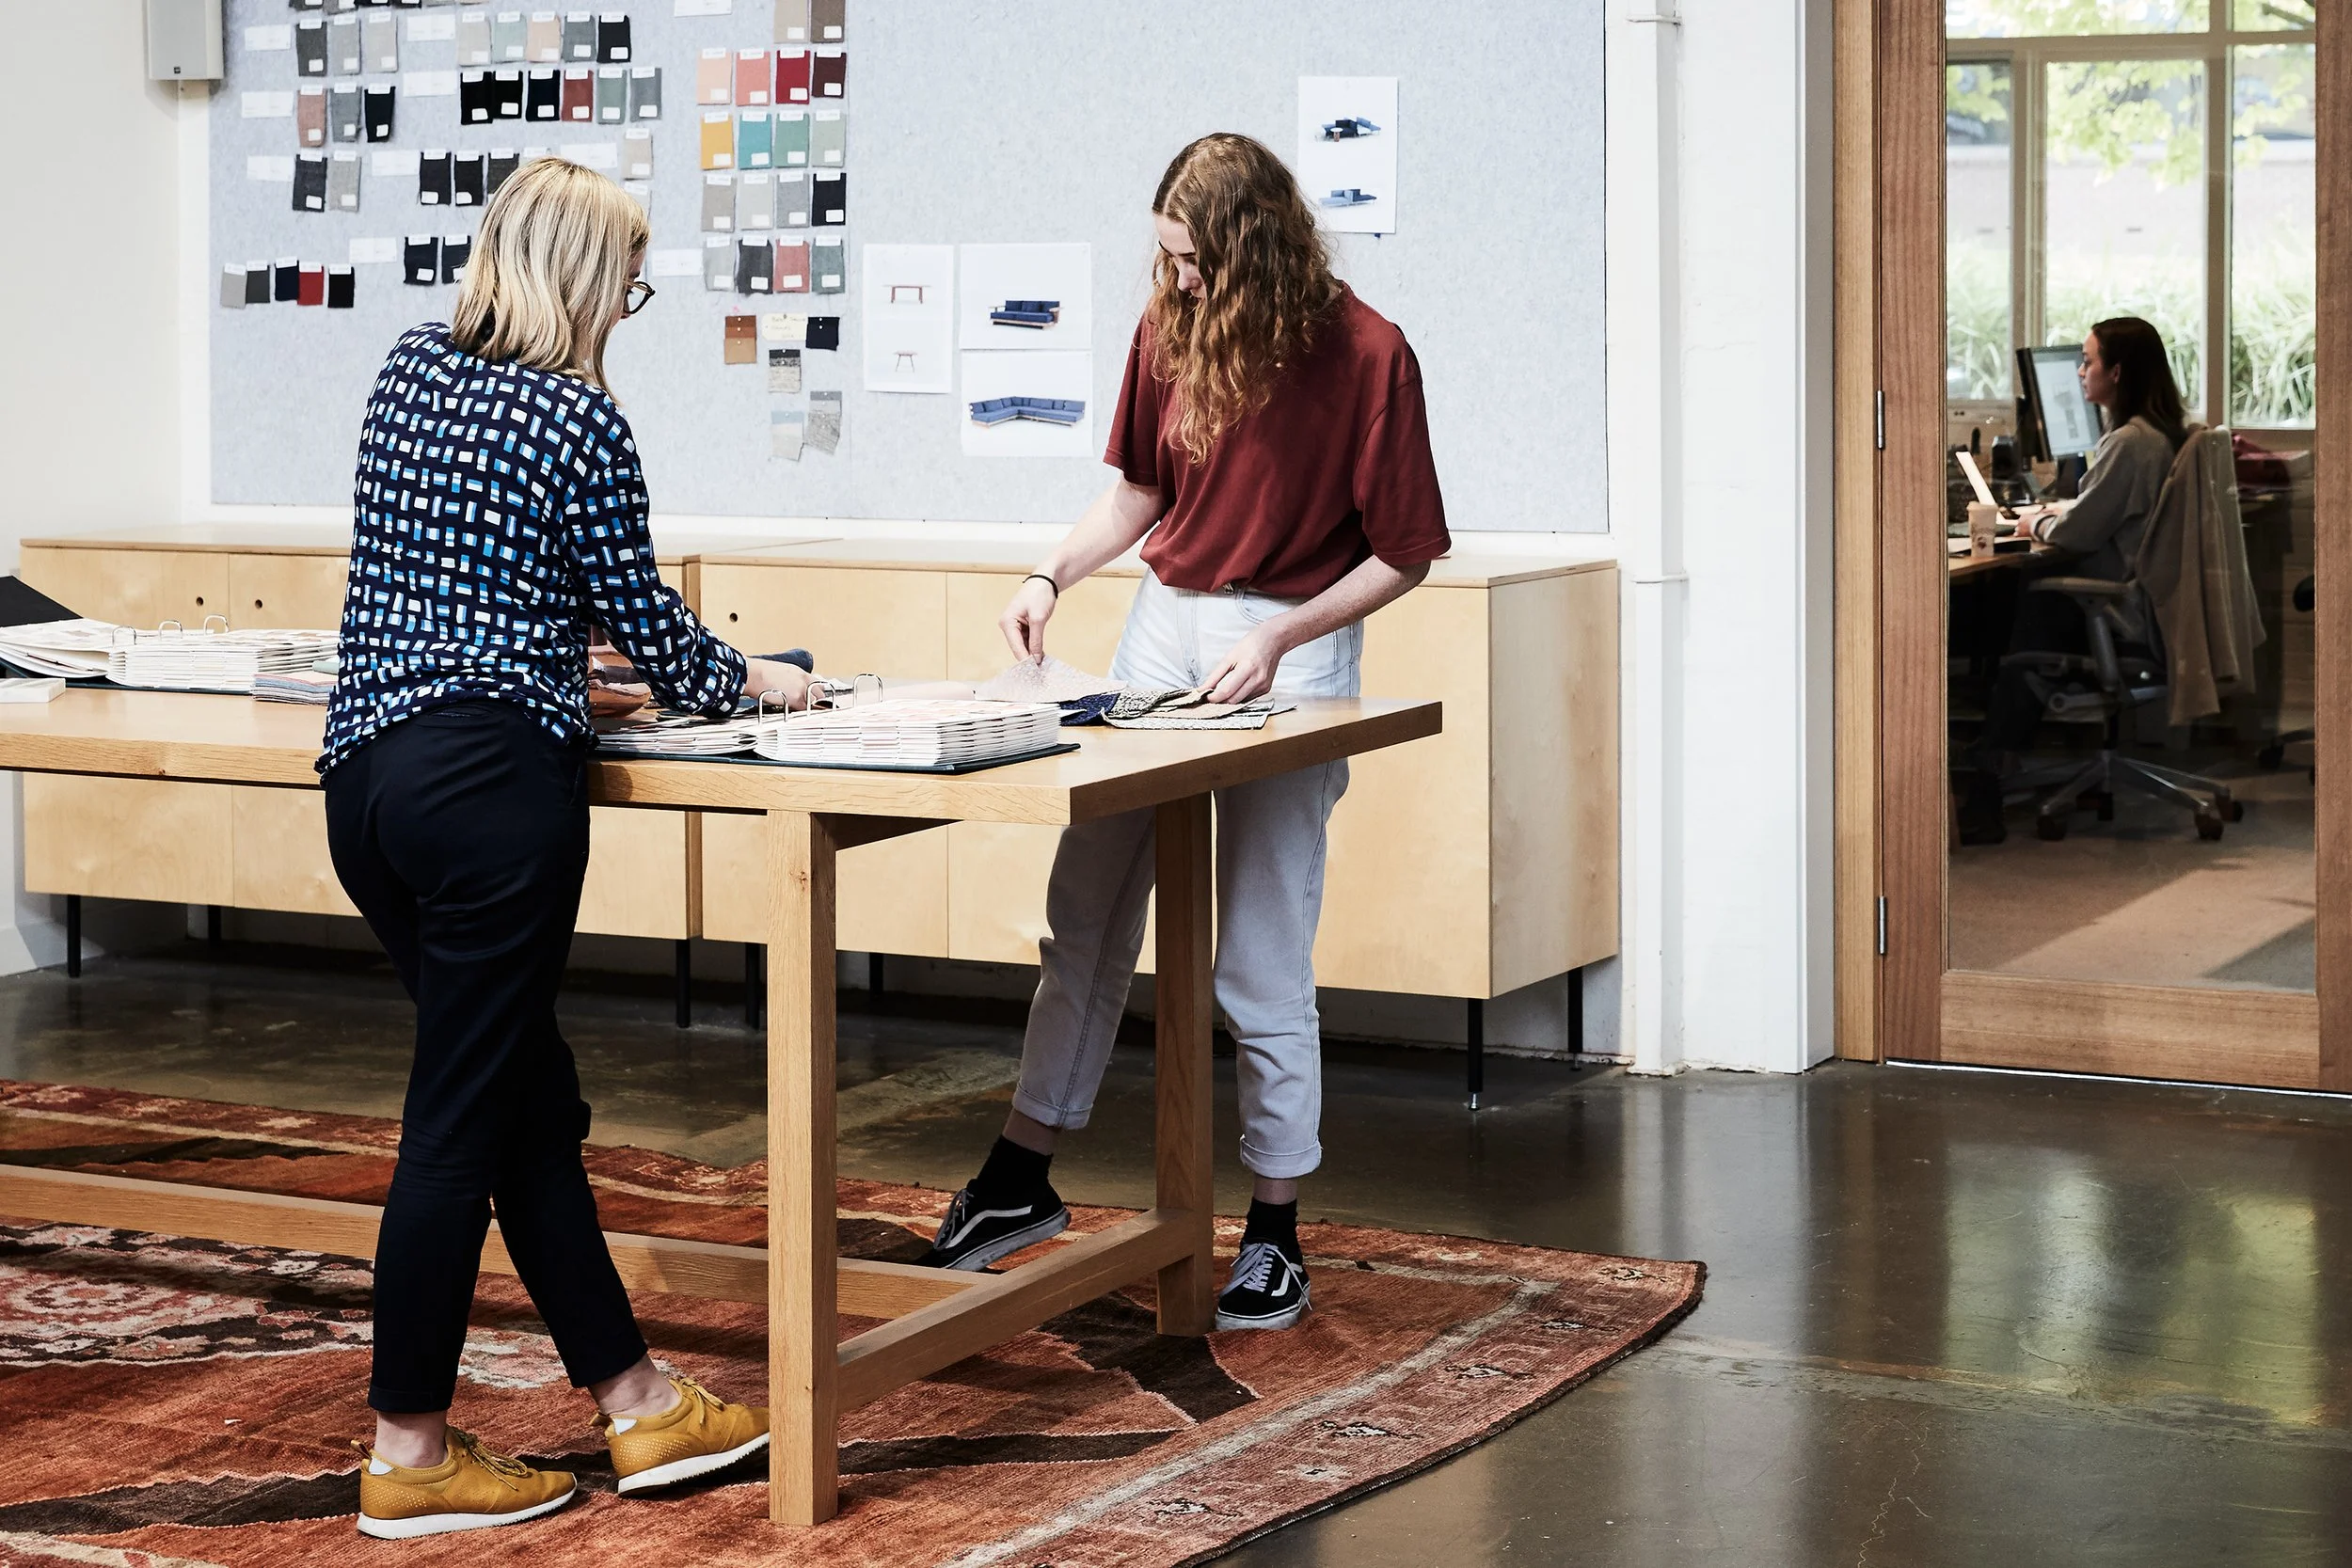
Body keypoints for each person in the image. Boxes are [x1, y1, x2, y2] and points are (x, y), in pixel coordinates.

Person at [320, 159, 808, 1539]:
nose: (630, 312)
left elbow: (451, 577)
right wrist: (754, 678)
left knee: (521, 1097)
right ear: (592, 280)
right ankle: (408, 1450)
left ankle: (642, 1404)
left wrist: (541, 646)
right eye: (632, 284)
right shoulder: (580, 414)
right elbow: (651, 631)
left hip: (367, 781)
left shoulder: (410, 365)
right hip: (489, 795)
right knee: (458, 1123)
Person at [915, 134, 1451, 1332]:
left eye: (1191, 260)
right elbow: (1141, 495)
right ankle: (1021, 1176)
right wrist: (1049, 574)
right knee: (1086, 907)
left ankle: (1272, 1226)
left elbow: (1405, 551)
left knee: (1256, 952)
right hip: (1166, 630)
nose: (1173, 279)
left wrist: (1282, 634)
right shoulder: (1169, 326)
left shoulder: (1369, 353)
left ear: (1253, 251)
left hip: (1295, 644)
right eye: (1162, 257)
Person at [1957, 315, 2188, 844]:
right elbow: (2095, 517)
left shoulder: (2131, 443)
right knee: (2021, 600)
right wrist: (2060, 511)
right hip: (2140, 603)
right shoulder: (2161, 435)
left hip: (2115, 612)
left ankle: (1984, 775)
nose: (2081, 371)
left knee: (2019, 603)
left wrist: (2032, 518)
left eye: (2088, 361)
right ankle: (1986, 765)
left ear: (2118, 372)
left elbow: (2077, 534)